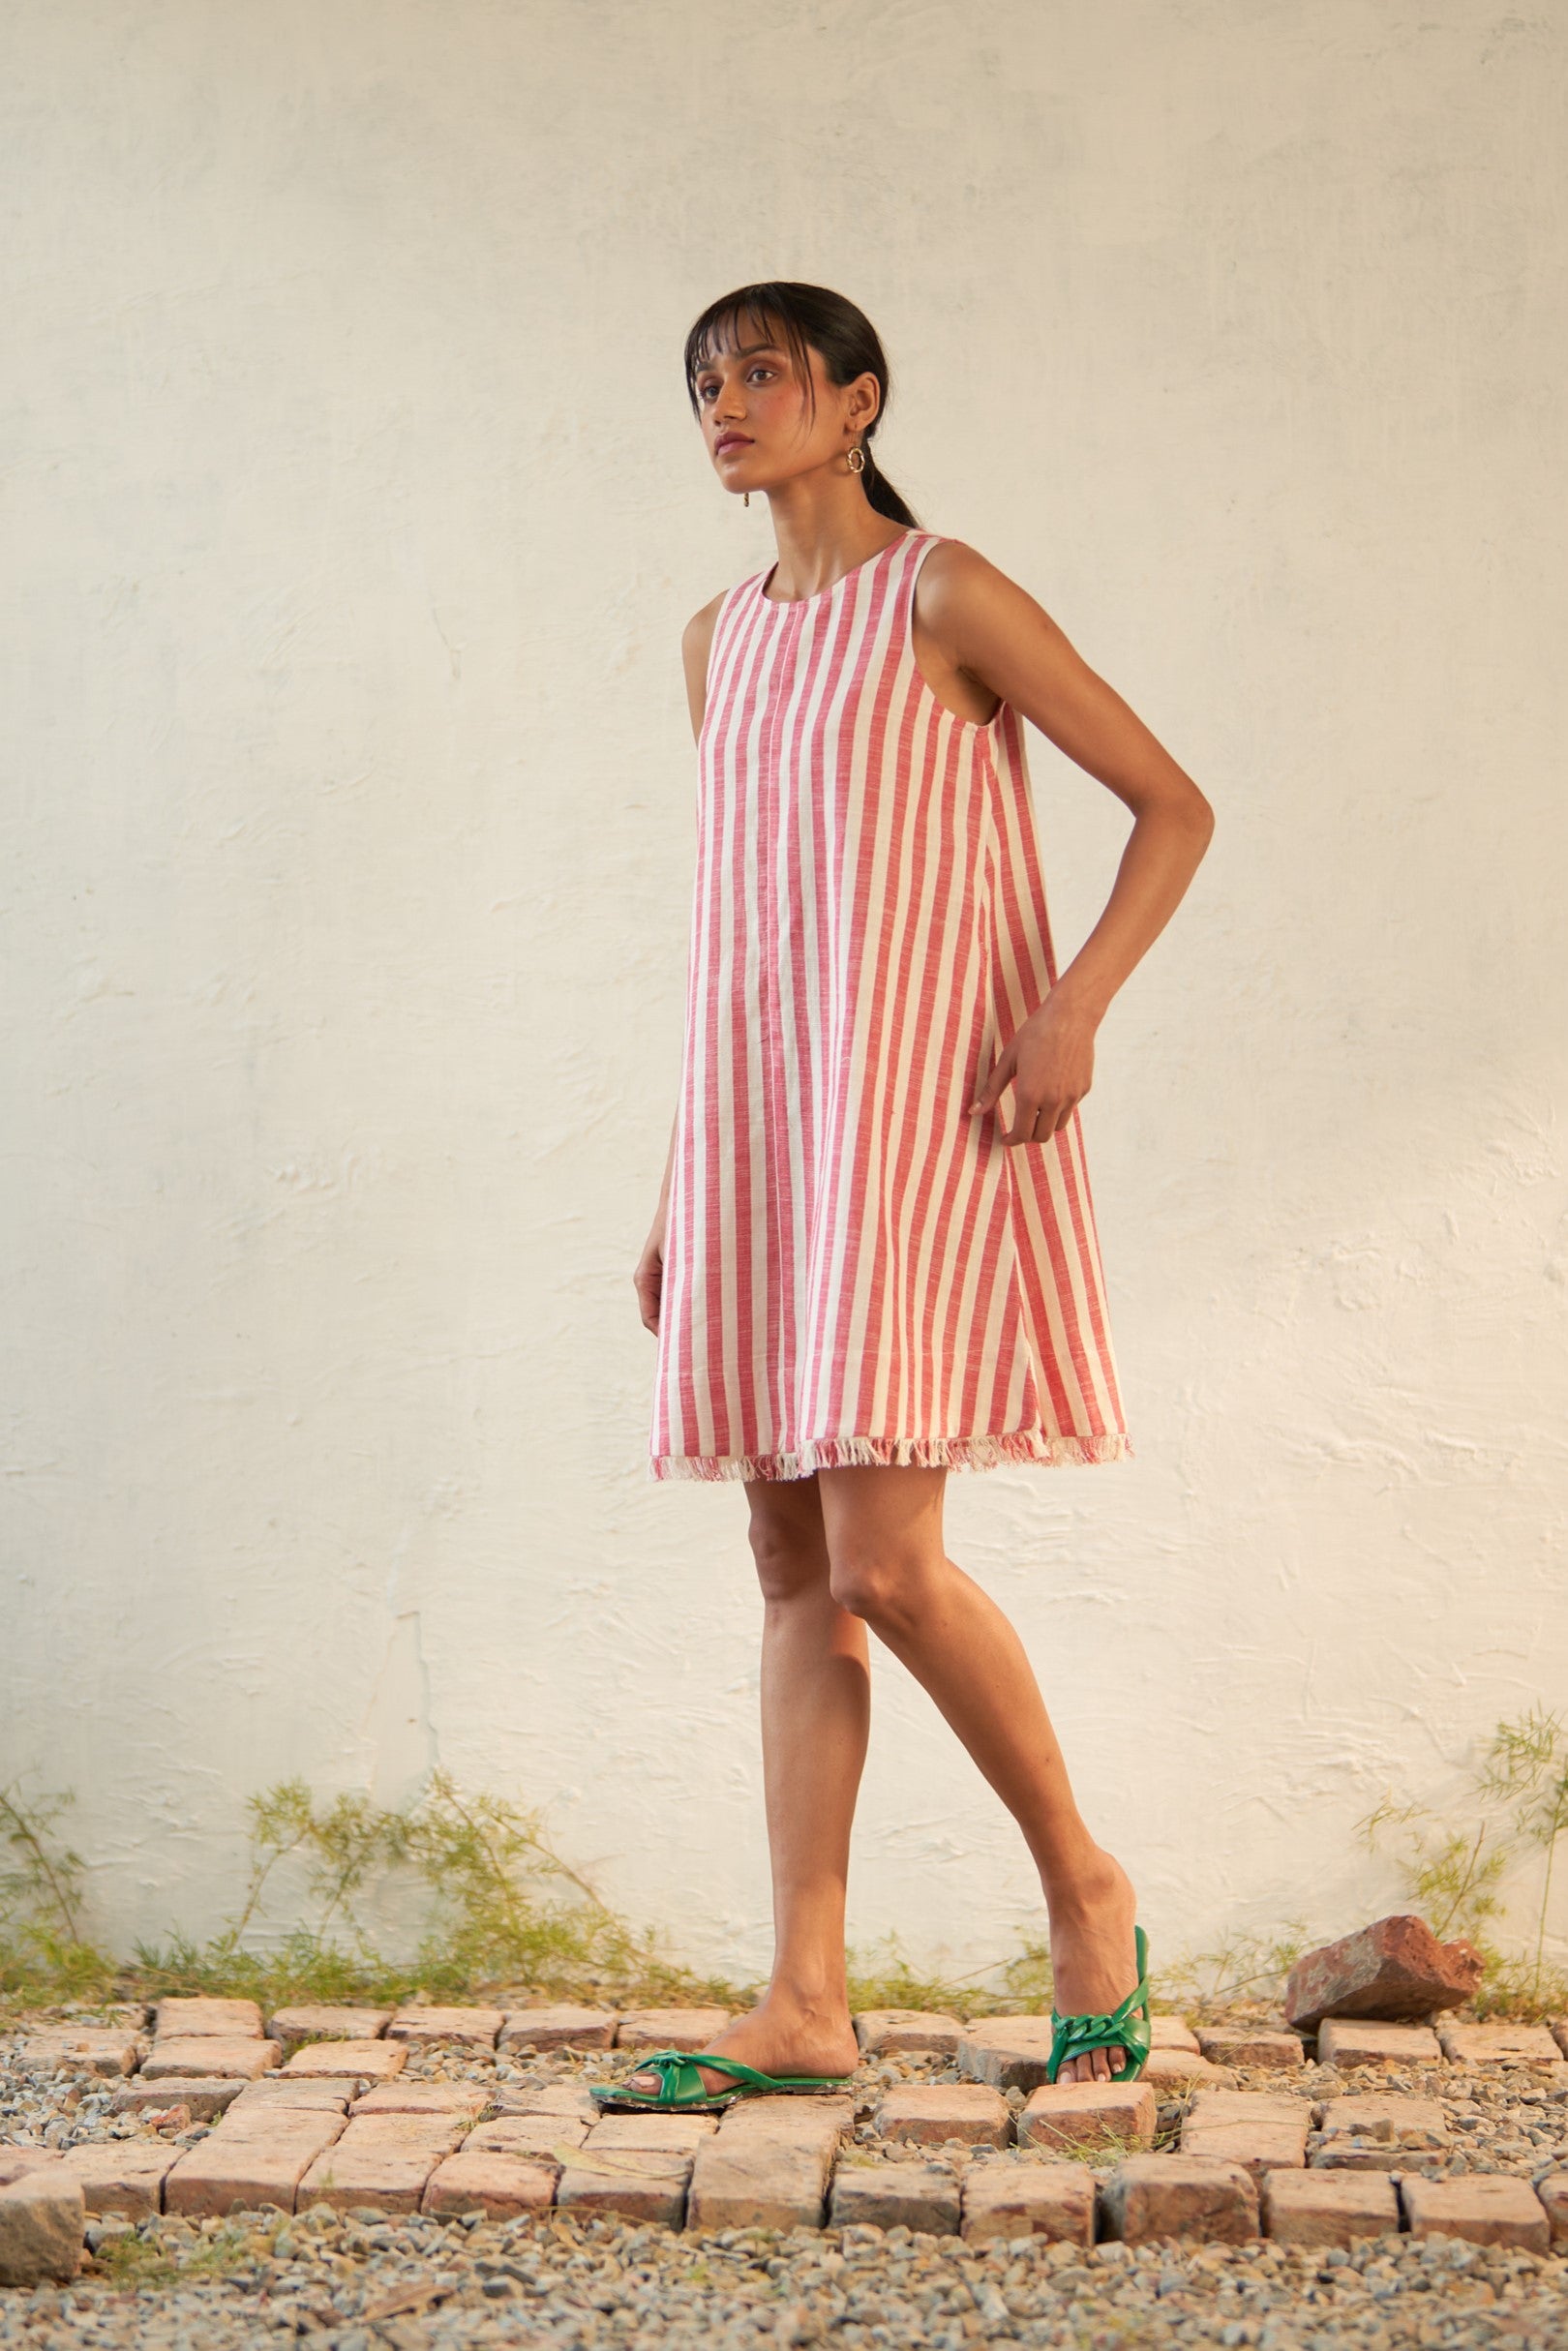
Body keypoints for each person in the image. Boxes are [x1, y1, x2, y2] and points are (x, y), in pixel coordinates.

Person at [598, 282, 1214, 2114]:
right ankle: (805, 1998)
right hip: (762, 1138)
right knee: (793, 1564)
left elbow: (1172, 805)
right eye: (705, 381)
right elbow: (745, 926)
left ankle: (1086, 1888)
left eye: (763, 372)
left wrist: (1073, 1006)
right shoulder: (717, 642)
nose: (726, 401)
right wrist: (681, 1179)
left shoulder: (944, 593)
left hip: (920, 1123)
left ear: (857, 400)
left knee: (885, 1560)